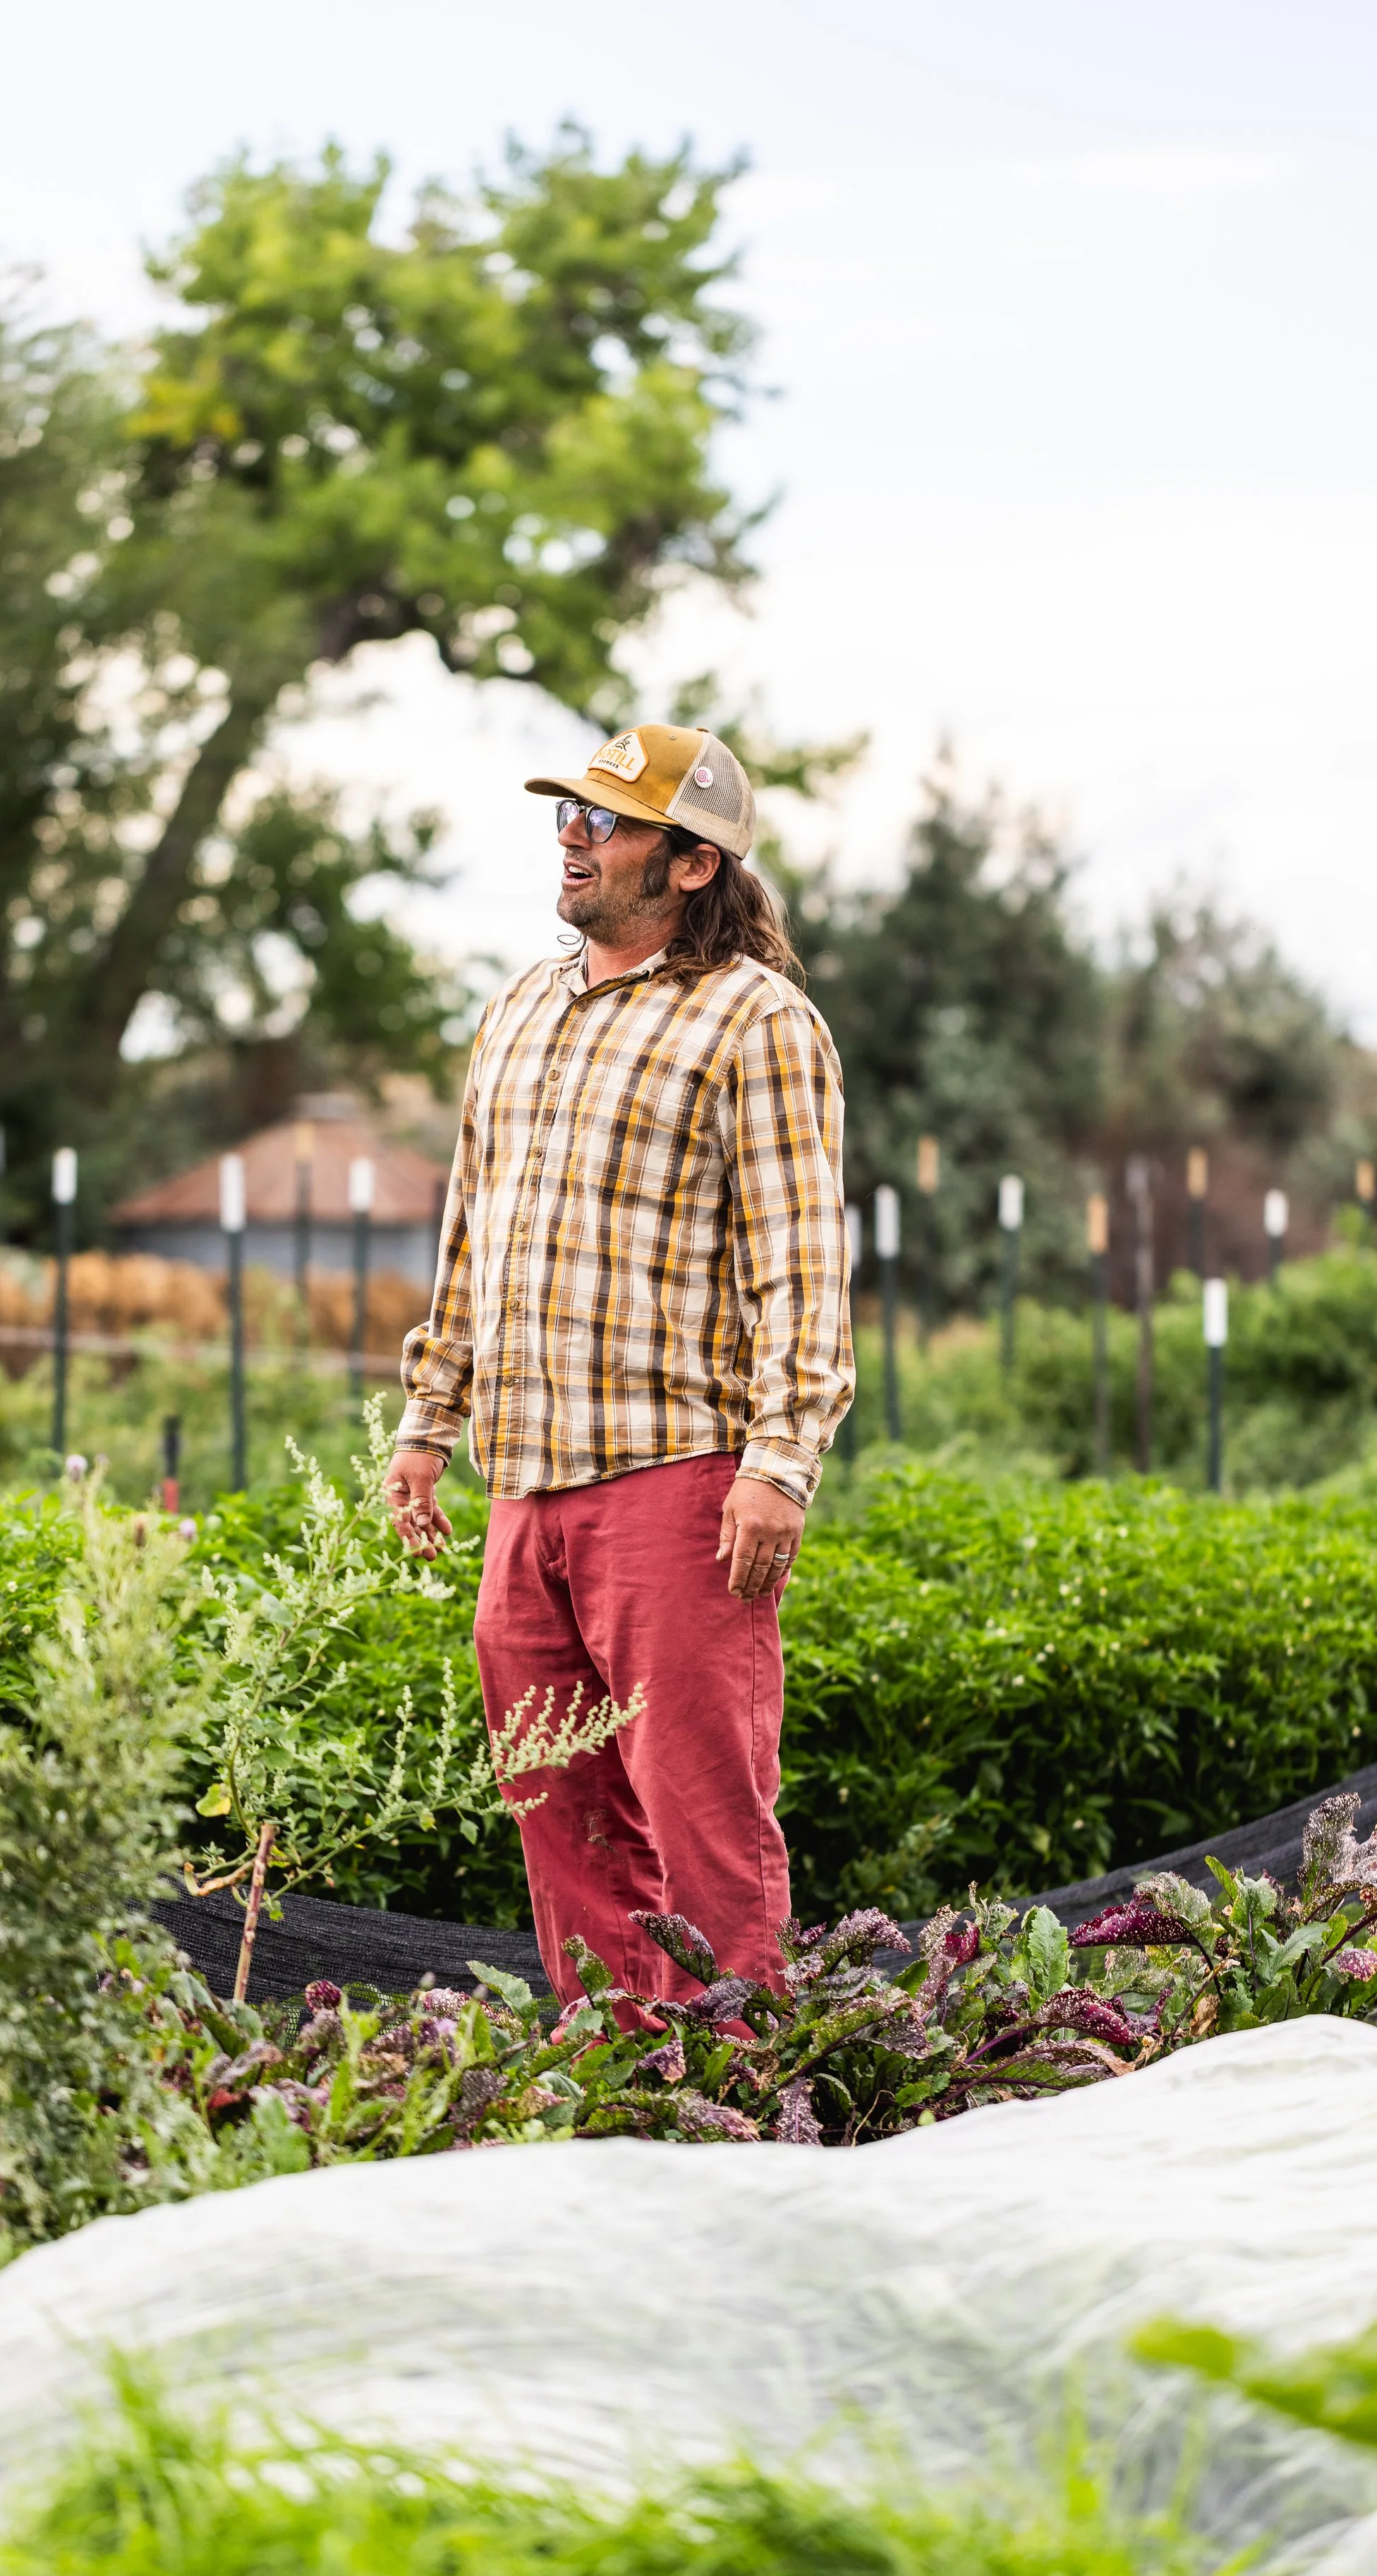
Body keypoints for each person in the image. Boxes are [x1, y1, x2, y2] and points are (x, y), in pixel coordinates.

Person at [388, 720, 854, 2012]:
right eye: (569, 816)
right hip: (526, 1485)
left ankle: (742, 2081)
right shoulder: (522, 1007)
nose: (576, 838)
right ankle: (619, 2069)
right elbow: (473, 1232)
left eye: (608, 820)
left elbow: (800, 1264)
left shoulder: (757, 1022)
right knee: (558, 1804)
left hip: (678, 1480)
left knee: (700, 1808)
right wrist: (430, 1422)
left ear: (693, 863)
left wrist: (781, 1465)